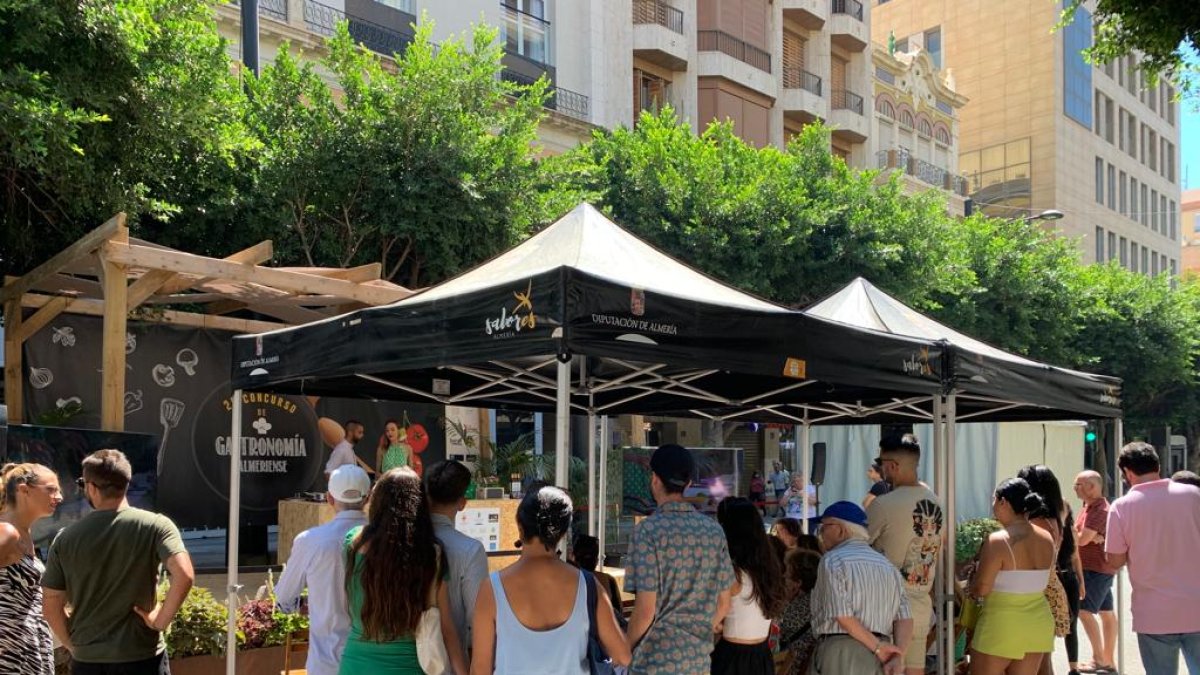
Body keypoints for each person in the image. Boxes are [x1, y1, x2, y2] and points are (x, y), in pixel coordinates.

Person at [42, 449, 194, 674]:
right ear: (127, 483)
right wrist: (160, 622)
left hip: (89, 661)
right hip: (143, 656)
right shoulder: (156, 526)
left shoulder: (66, 538)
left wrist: (72, 645)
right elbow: (184, 575)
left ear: (92, 487)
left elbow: (51, 602)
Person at [471, 484, 629, 674]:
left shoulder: (491, 589)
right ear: (562, 533)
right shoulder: (588, 586)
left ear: (520, 528)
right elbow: (623, 656)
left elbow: (480, 669)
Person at [341, 467, 467, 675]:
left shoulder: (353, 542)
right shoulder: (431, 554)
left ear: (377, 502)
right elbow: (447, 627)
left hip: (356, 664)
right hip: (409, 666)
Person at [625, 444, 736, 674]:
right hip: (698, 662)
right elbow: (724, 603)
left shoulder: (647, 532)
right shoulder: (713, 531)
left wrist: (624, 650)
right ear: (688, 485)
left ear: (655, 479)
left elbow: (646, 610)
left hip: (654, 661)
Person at [1105, 442, 1200, 674]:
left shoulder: (1121, 508)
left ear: (1127, 473)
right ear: (1158, 465)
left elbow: (1114, 561)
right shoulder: (1194, 495)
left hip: (1154, 613)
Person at [275, 465, 371, 675]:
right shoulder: (387, 540)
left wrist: (308, 604)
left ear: (329, 498)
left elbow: (283, 600)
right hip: (374, 662)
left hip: (326, 663)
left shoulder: (310, 541)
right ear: (368, 497)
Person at [867, 434, 943, 675]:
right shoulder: (938, 503)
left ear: (892, 466)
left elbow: (855, 546)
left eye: (882, 464)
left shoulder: (884, 504)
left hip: (886, 610)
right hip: (920, 605)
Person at [808, 500, 911, 675]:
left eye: (823, 527)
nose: (821, 534)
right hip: (881, 654)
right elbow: (905, 618)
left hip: (844, 651)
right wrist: (897, 655)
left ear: (841, 530)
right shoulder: (888, 566)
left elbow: (842, 615)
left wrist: (880, 648)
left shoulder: (833, 560)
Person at [969, 478, 1056, 675]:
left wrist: (972, 581)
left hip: (1002, 624)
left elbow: (982, 588)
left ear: (1003, 502)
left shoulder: (999, 540)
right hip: (1038, 623)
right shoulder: (1046, 536)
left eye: (994, 499)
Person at [1017, 464, 1083, 675]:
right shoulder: (1055, 514)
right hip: (1050, 586)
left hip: (1038, 591)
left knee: (1037, 657)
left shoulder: (1037, 520)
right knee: (1041, 655)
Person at [424, 460, 489, 665]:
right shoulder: (470, 550)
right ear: (462, 502)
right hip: (449, 662)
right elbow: (477, 618)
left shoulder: (401, 542)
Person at [0, 463, 62, 675]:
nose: (59, 496)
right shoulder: (7, 532)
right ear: (23, 489)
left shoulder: (23, 535)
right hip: (9, 654)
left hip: (26, 648)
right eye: (51, 489)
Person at [712, 497, 786, 674]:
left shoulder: (732, 571)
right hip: (762, 654)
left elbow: (720, 611)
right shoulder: (769, 570)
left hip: (733, 656)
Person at [1072, 470, 1118, 674]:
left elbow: (1080, 539)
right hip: (1096, 568)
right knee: (1106, 613)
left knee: (1084, 611)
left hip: (1096, 569)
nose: (1075, 489)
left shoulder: (1100, 510)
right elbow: (1083, 536)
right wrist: (1085, 535)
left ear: (1092, 486)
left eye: (1078, 485)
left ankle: (1100, 659)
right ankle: (1106, 660)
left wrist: (1077, 534)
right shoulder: (1088, 507)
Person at [777, 548, 821, 675]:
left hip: (787, 668)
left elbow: (774, 636)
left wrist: (784, 601)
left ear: (797, 583)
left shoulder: (795, 609)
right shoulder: (817, 603)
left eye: (786, 575)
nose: (783, 578)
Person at [570, 533, 624, 623]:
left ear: (573, 557)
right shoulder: (607, 580)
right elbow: (619, 614)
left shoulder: (566, 581)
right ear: (596, 560)